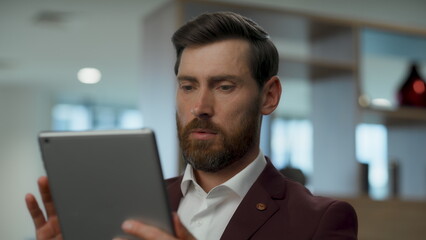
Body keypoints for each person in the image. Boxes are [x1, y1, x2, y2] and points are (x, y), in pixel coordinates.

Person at [25, 12, 358, 240]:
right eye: (187, 86)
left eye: (224, 86)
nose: (199, 107)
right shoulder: (135, 205)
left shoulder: (319, 222)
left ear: (269, 96)